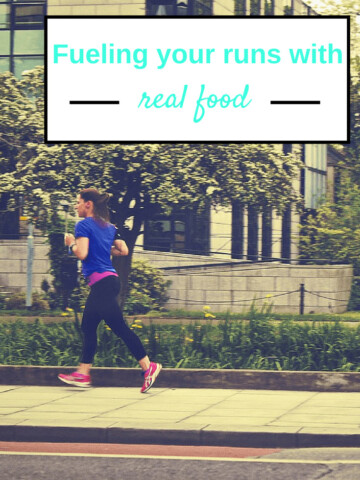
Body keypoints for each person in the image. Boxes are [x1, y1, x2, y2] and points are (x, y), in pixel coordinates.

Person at [58, 188, 162, 393]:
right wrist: (105, 248)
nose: (76, 206)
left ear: (89, 204)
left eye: (78, 202)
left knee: (118, 327)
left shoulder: (83, 225)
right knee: (88, 326)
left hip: (102, 283)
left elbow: (82, 253)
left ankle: (148, 366)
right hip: (107, 281)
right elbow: (124, 250)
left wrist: (71, 244)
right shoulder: (109, 227)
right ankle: (83, 373)